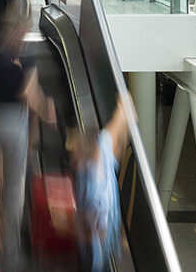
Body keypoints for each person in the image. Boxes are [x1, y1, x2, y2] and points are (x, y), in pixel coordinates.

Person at [0, 4, 55, 270]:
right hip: (14, 123)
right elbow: (29, 94)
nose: (24, 36)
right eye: (24, 30)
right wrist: (45, 109)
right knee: (13, 192)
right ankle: (10, 258)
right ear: (18, 28)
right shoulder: (25, 57)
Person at [73, 98, 133, 272]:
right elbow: (121, 117)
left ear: (86, 156)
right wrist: (123, 104)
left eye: (76, 155)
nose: (72, 160)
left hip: (96, 257)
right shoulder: (103, 145)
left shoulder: (97, 194)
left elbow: (98, 232)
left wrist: (65, 225)